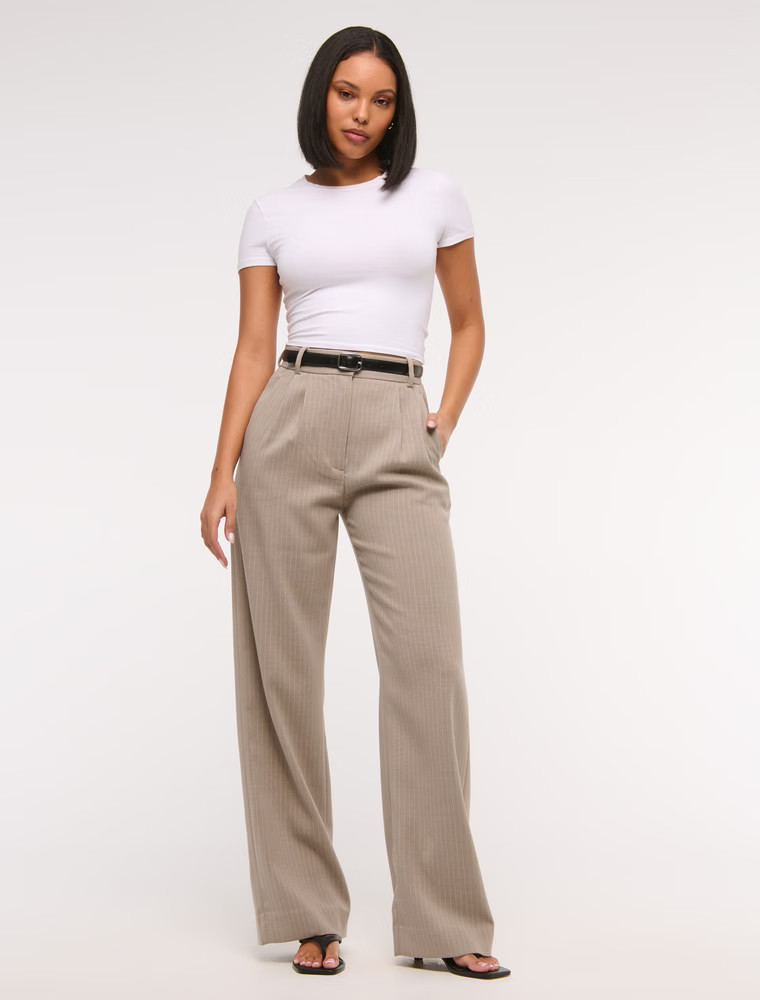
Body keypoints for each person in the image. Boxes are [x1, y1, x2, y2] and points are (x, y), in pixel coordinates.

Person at [200, 25, 511, 981]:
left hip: (395, 420)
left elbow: (470, 323)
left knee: (428, 667)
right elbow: (254, 348)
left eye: (380, 99)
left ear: (397, 109)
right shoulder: (271, 212)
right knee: (282, 675)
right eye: (346, 94)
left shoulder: (435, 196)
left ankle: (444, 917)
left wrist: (443, 419)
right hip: (288, 421)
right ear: (320, 96)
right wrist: (222, 471)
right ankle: (308, 912)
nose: (362, 114)